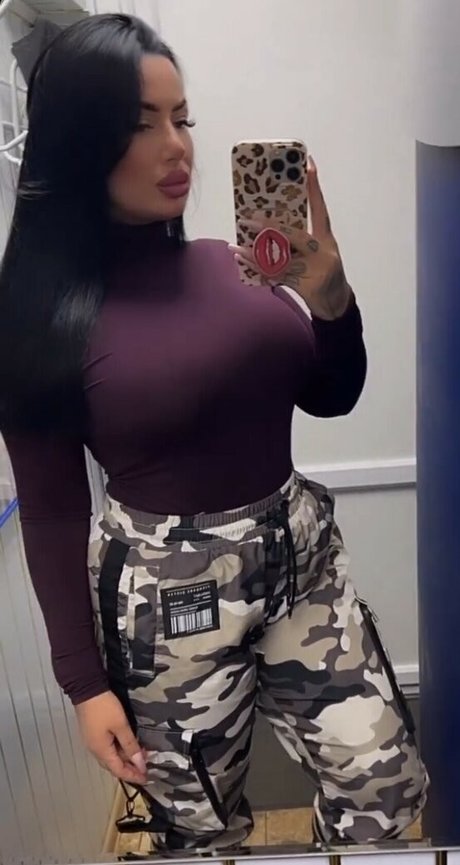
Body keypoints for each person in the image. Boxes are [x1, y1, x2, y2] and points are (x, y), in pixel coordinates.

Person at [0, 13, 428, 853]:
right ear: (79, 142)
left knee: (383, 787)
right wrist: (83, 684)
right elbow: (51, 511)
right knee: (199, 831)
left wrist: (331, 298)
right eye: (142, 124)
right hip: (167, 601)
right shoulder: (39, 322)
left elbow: (334, 395)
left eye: (183, 118)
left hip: (302, 565)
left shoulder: (232, 269)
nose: (177, 147)